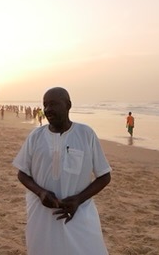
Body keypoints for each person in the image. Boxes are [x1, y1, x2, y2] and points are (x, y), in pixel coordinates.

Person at [13, 87, 112, 255]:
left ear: (68, 105)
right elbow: (22, 173)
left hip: (79, 214)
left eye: (53, 104)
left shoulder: (86, 134)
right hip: (41, 215)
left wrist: (78, 200)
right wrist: (41, 192)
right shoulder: (35, 136)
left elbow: (104, 176)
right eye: (45, 105)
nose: (47, 110)